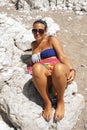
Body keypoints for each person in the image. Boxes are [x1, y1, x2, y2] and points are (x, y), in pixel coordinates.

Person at [28, 19, 76, 121]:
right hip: (44, 73)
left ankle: (60, 101)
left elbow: (62, 56)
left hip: (58, 70)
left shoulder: (51, 40)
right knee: (36, 67)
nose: (37, 33)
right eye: (34, 30)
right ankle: (47, 102)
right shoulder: (33, 45)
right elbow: (33, 63)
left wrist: (72, 69)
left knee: (58, 68)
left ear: (45, 31)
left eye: (40, 31)